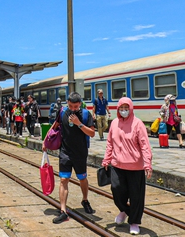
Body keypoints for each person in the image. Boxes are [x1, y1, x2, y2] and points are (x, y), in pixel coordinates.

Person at [102, 97, 152, 235]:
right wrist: (106, 159)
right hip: (117, 165)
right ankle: (124, 211)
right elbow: (110, 143)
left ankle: (134, 222)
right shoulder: (114, 124)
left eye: (126, 108)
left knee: (136, 196)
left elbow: (145, 145)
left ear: (131, 108)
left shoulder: (138, 124)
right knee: (116, 189)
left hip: (136, 167)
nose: (124, 111)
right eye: (121, 108)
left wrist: (147, 164)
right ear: (118, 109)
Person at [43, 92, 96, 224]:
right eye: (71, 106)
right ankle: (63, 211)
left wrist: (79, 124)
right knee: (63, 179)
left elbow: (92, 133)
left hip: (80, 153)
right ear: (67, 102)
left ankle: (85, 200)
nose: (73, 109)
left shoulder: (85, 114)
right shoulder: (62, 112)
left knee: (82, 178)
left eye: (76, 106)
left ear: (80, 104)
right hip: (65, 152)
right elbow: (55, 125)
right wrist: (45, 141)